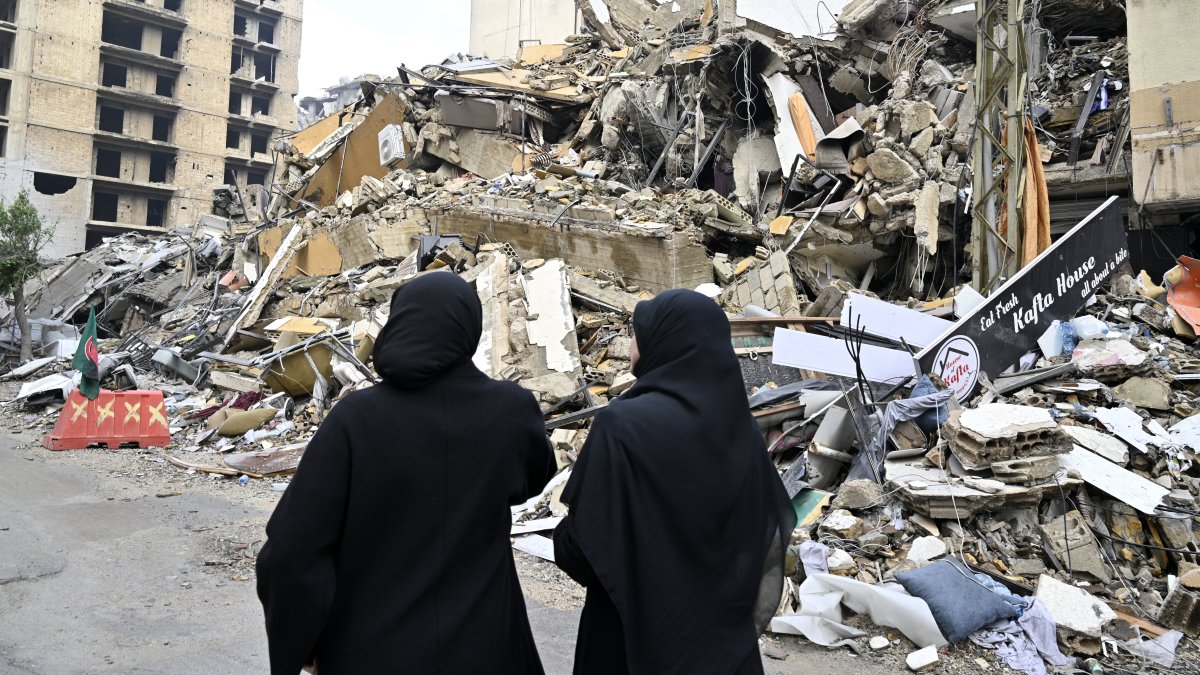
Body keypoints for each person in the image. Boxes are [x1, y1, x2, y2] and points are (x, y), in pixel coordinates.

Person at [256, 272, 556, 675]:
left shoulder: (356, 419)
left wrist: (301, 641)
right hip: (487, 648)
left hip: (368, 651)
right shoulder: (512, 411)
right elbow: (532, 480)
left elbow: (292, 553)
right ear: (469, 329)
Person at [553, 290, 796, 675]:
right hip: (722, 648)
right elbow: (761, 533)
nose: (631, 343)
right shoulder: (741, 430)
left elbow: (583, 548)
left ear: (662, 341)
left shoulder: (623, 426)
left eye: (636, 333)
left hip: (628, 639)